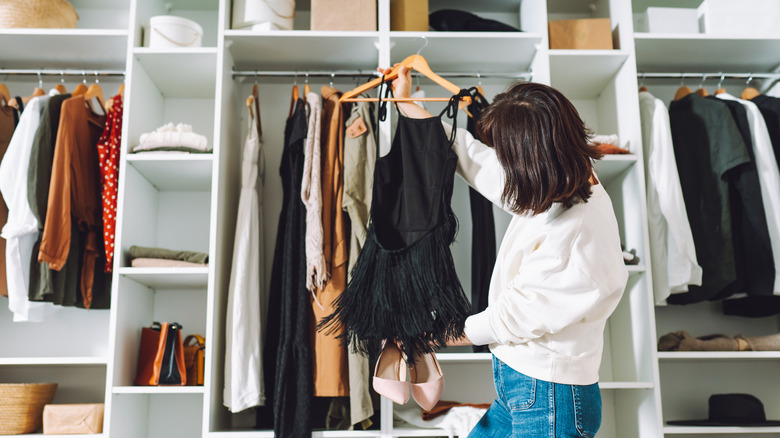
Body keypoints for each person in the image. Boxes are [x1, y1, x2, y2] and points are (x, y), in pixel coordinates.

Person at [384, 65, 629, 437]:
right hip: (523, 386)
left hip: (551, 399)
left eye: (509, 156)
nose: (503, 163)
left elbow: (508, 319)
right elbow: (475, 160)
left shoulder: (577, 234)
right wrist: (406, 102)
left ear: (534, 161)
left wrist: (430, 334)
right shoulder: (558, 181)